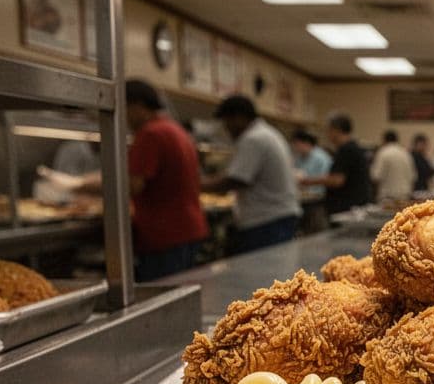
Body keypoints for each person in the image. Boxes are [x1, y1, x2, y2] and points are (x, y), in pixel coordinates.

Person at [63, 79, 207, 281]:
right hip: (187, 228)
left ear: (137, 105)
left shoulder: (150, 133)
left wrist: (79, 185)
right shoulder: (174, 129)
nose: (123, 117)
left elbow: (132, 185)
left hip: (165, 233)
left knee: (162, 297)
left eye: (124, 109)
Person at [203, 94, 301, 255]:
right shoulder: (268, 133)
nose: (227, 128)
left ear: (239, 117)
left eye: (227, 122)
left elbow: (236, 180)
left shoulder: (253, 139)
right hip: (278, 216)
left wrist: (197, 185)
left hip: (266, 221)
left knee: (263, 273)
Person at [322, 113, 371, 215]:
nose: (327, 134)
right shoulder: (354, 147)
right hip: (356, 205)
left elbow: (337, 180)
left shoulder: (346, 150)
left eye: (328, 130)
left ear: (336, 130)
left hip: (346, 208)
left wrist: (307, 180)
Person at [371, 129, 417, 203]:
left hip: (387, 197)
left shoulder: (383, 152)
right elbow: (413, 177)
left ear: (384, 140)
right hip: (404, 196)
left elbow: (376, 176)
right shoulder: (405, 153)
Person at [290, 129, 332, 201]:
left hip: (318, 198)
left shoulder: (322, 158)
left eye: (296, 143)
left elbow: (325, 182)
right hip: (302, 195)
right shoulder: (299, 157)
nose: (295, 147)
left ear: (306, 143)